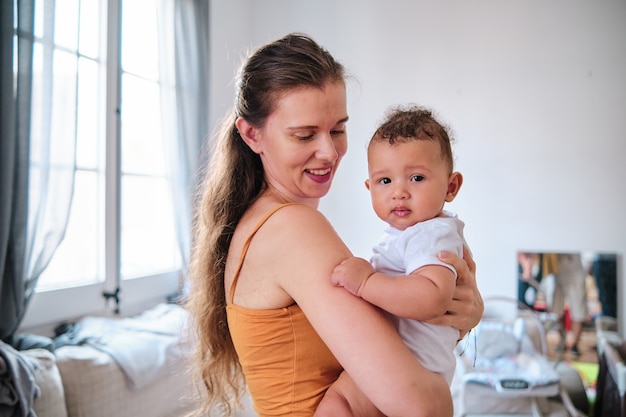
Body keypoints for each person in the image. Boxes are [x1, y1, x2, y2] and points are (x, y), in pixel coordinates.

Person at [185, 33, 483, 417]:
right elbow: (423, 406)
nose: (329, 152)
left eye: (338, 130)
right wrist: (458, 328)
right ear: (252, 135)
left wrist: (454, 318)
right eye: (305, 135)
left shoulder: (266, 221)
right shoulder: (290, 228)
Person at [315, 105, 466, 416]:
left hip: (411, 368)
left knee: (338, 404)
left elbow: (431, 297)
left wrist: (368, 282)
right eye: (385, 181)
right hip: (402, 367)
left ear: (451, 187)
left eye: (417, 177)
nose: (399, 192)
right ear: (369, 188)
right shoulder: (411, 234)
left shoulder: (431, 233)